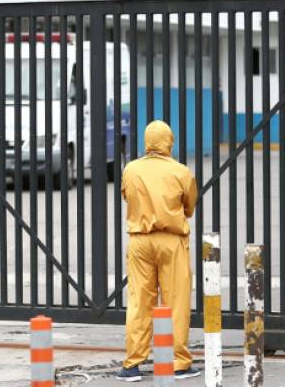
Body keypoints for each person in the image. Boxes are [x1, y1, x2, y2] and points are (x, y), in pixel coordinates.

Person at [116, 120, 200, 382]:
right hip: (171, 241)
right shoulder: (180, 171)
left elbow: (126, 196)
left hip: (139, 241)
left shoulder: (131, 169)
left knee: (140, 301)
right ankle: (179, 361)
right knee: (176, 300)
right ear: (169, 141)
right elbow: (189, 207)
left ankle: (132, 363)